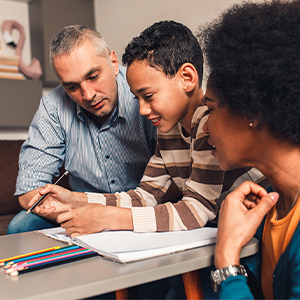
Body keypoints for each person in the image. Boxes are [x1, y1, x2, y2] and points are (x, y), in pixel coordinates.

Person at [28, 20, 267, 299]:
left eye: (148, 96)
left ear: (187, 78)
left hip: (250, 248)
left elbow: (196, 211)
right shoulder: (168, 129)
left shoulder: (210, 124)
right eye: (137, 98)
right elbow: (146, 194)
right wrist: (79, 200)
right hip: (211, 242)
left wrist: (109, 217)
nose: (142, 109)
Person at [7, 25, 157, 234]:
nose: (87, 95)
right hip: (81, 208)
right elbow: (28, 191)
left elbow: (174, 179)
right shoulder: (53, 108)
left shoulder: (144, 90)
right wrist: (82, 214)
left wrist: (110, 217)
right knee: (20, 226)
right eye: (71, 86)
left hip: (145, 204)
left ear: (113, 63)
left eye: (93, 76)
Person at [199, 1, 300, 299]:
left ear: (252, 110)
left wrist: (227, 257)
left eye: (212, 109)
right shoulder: (270, 204)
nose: (205, 128)